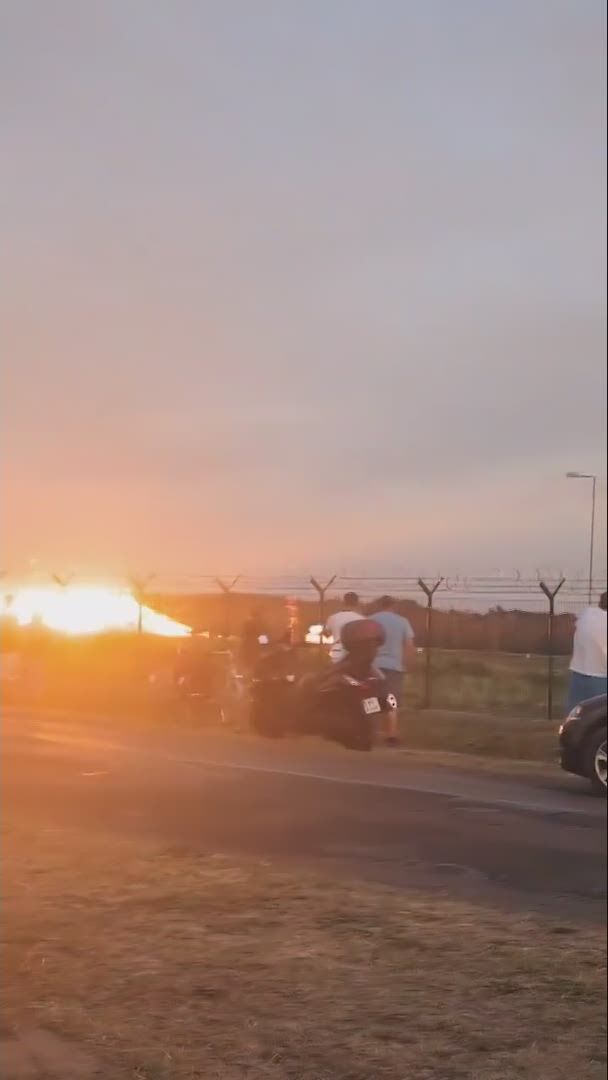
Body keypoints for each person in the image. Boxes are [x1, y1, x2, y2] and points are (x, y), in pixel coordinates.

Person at [371, 595, 416, 744]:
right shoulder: (402, 621)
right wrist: (409, 663)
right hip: (395, 666)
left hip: (373, 665)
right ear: (393, 606)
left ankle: (369, 732)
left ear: (380, 605)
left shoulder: (371, 620)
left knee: (372, 699)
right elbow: (409, 645)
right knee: (392, 700)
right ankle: (391, 735)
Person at [567, 592, 607, 712]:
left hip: (578, 674)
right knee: (599, 718)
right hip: (601, 678)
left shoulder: (587, 613)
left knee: (575, 716)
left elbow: (574, 622)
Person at [324, 592, 364, 663]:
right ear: (357, 603)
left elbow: (326, 634)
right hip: (354, 655)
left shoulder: (332, 617)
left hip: (337, 653)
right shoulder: (361, 619)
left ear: (344, 602)